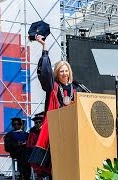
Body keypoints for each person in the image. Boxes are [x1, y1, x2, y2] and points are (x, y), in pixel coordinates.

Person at [28, 34, 81, 178]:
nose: (64, 73)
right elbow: (45, 73)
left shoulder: (76, 89)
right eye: (61, 71)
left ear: (69, 72)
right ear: (57, 73)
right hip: (56, 129)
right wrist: (44, 48)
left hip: (72, 129)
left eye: (66, 70)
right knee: (55, 162)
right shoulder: (54, 87)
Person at [26, 112, 44, 178]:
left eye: (40, 122)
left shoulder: (46, 130)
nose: (38, 124)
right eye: (36, 123)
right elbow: (30, 145)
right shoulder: (33, 131)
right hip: (35, 151)